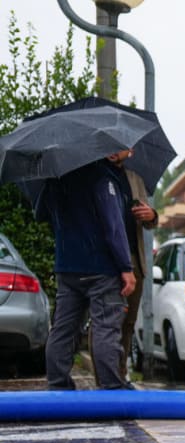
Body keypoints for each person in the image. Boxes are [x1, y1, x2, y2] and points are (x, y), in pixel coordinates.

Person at [36, 152, 136, 390]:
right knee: (105, 327)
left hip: (67, 266)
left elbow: (40, 214)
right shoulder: (102, 178)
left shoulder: (56, 179)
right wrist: (125, 267)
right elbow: (114, 227)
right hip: (101, 268)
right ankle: (111, 387)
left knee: (63, 328)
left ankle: (58, 385)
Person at [110, 148, 159, 384]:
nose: (113, 151)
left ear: (129, 151)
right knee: (107, 320)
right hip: (107, 261)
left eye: (119, 147)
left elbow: (149, 223)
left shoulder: (135, 178)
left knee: (128, 323)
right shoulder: (97, 176)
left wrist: (151, 215)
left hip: (134, 258)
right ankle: (106, 376)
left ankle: (121, 374)